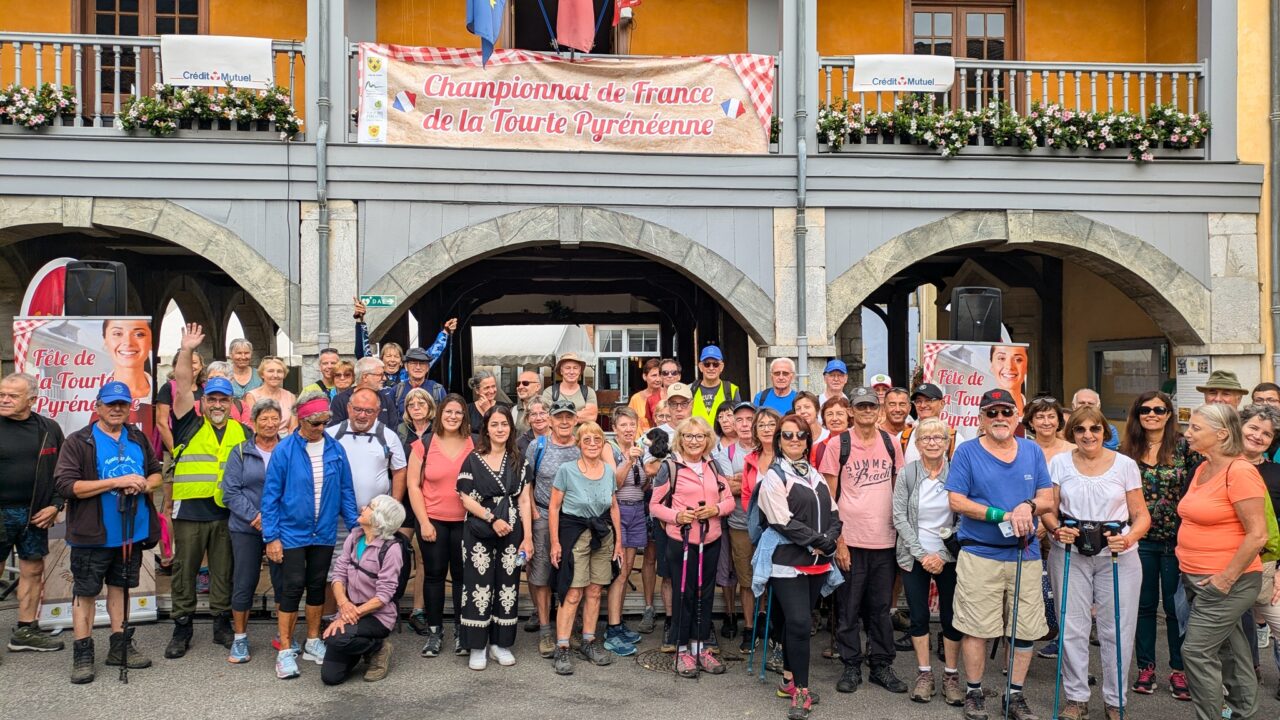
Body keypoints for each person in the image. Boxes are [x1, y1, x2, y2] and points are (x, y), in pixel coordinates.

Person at [946, 388, 1054, 720]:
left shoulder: (1032, 451)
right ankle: (974, 692)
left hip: (1025, 554)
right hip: (980, 553)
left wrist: (1028, 506)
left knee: (1024, 629)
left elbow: (1047, 499)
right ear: (981, 418)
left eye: (1006, 411)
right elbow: (956, 501)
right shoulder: (967, 452)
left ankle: (1015, 695)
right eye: (991, 413)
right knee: (976, 627)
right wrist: (1001, 515)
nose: (999, 418)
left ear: (1017, 416)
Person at [1041, 406, 1151, 720]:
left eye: (1095, 428)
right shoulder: (1060, 463)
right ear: (1071, 433)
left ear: (1105, 431)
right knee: (1072, 626)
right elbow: (1049, 509)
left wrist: (1128, 539)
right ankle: (1076, 698)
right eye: (1080, 429)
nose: (1088, 435)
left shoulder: (1125, 464)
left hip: (1117, 555)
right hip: (1070, 552)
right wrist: (1055, 529)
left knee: (1117, 628)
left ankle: (1115, 700)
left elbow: (1141, 515)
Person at [55, 381, 163, 683]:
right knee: (85, 592)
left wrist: (143, 483)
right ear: (97, 406)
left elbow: (156, 473)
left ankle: (120, 645)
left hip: (131, 532)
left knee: (121, 587)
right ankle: (83, 652)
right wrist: (116, 482)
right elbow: (66, 486)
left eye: (122, 404)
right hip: (92, 534)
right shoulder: (79, 441)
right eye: (111, 404)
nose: (117, 409)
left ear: (129, 408)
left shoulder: (137, 437)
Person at [1177, 403, 1269, 720]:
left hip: (1228, 581)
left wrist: (1225, 579)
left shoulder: (1240, 472)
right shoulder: (1203, 467)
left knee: (1196, 651)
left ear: (1221, 434)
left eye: (1195, 428)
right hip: (1197, 576)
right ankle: (1243, 712)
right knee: (1231, 651)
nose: (1188, 433)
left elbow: (1258, 534)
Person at [261, 390, 359, 680]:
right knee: (292, 587)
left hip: (324, 531)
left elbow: (346, 492)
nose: (321, 428)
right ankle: (285, 649)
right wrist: (271, 537)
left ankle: (313, 640)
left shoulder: (335, 449)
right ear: (301, 420)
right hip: (292, 531)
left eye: (325, 422)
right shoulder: (284, 450)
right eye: (315, 423)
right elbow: (270, 497)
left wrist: (356, 529)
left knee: (317, 585)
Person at [166, 324, 248, 659]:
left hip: (225, 512)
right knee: (184, 570)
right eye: (211, 398)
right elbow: (184, 383)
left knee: (223, 570)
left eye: (223, 399)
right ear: (203, 401)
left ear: (231, 402)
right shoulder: (188, 421)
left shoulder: (242, 431)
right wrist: (186, 350)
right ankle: (181, 626)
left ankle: (221, 623)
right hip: (190, 510)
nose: (217, 404)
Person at [755, 413, 843, 720]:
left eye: (801, 435)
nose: (794, 440)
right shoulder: (774, 476)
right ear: (779, 440)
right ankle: (802, 691)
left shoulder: (815, 474)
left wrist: (829, 540)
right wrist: (820, 541)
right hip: (787, 564)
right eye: (787, 435)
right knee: (800, 624)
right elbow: (781, 521)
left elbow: (834, 514)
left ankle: (788, 681)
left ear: (808, 441)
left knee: (796, 624)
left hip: (817, 563)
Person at [820, 386, 907, 695]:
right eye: (861, 406)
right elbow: (828, 498)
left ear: (878, 410)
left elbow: (899, 490)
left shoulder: (891, 443)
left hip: (884, 539)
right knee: (848, 609)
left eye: (871, 406)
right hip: (852, 541)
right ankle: (851, 665)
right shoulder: (838, 444)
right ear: (851, 411)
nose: (867, 411)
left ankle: (881, 665)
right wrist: (839, 541)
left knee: (880, 609)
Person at [649, 416, 735, 677]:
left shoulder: (713, 465)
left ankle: (700, 648)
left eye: (699, 436)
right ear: (681, 439)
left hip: (710, 539)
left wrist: (715, 509)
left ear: (707, 440)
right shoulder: (670, 467)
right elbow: (655, 506)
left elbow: (729, 501)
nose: (694, 441)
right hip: (682, 542)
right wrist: (677, 516)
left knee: (705, 594)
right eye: (688, 436)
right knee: (683, 594)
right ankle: (681, 649)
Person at [1120, 390, 1192, 700]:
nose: (1152, 414)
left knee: (1176, 608)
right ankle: (1145, 668)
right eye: (1145, 410)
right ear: (1137, 415)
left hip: (1178, 540)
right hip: (1141, 541)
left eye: (1159, 410)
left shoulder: (1185, 447)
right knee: (1144, 606)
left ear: (1168, 414)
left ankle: (1179, 670)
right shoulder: (1126, 452)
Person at [892, 417, 964, 705]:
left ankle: (951, 676)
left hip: (949, 556)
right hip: (914, 556)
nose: (932, 443)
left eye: (938, 438)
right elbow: (899, 516)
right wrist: (922, 554)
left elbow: (964, 517)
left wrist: (942, 556)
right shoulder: (907, 474)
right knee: (919, 616)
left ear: (947, 443)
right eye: (926, 438)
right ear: (918, 444)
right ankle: (924, 674)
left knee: (951, 617)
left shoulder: (958, 473)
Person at [458, 405, 533, 670]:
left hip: (512, 530)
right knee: (477, 585)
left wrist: (528, 538)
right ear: (486, 429)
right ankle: (477, 645)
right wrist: (492, 519)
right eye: (494, 424)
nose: (500, 429)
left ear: (511, 429)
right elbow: (465, 498)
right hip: (479, 528)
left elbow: (525, 500)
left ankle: (500, 644)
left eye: (504, 424)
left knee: (507, 585)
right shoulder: (473, 459)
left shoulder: (520, 460)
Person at [548, 422, 623, 675]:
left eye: (597, 439)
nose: (592, 444)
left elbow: (613, 507)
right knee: (573, 593)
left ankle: (589, 641)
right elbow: (554, 507)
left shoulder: (608, 471)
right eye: (587, 439)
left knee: (595, 590)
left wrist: (619, 542)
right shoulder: (566, 470)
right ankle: (562, 646)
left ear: (603, 443)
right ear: (578, 443)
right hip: (575, 534)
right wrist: (555, 542)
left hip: (602, 534)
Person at [0, 372, 66, 653]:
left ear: (31, 400)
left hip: (35, 513)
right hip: (1, 512)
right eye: (1, 394)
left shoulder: (49, 428)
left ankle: (25, 631)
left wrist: (56, 504)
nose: (4, 400)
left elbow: (63, 472)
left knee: (33, 569)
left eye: (12, 396)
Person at [406, 393, 474, 658]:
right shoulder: (423, 444)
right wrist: (423, 521)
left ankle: (461, 630)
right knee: (434, 576)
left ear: (464, 416)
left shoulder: (475, 443)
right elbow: (413, 485)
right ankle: (434, 632)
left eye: (458, 412)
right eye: (448, 412)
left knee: (462, 576)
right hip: (433, 520)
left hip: (466, 522)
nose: (453, 416)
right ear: (440, 414)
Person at [220, 398, 287, 664]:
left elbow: (296, 487)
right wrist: (256, 517)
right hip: (246, 527)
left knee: (283, 582)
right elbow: (230, 492)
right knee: (244, 581)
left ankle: (284, 637)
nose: (270, 424)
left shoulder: (289, 449)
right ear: (254, 422)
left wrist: (273, 520)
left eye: (274, 418)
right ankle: (240, 639)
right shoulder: (240, 451)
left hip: (281, 528)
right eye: (264, 419)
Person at [322, 494, 405, 684]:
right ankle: (363, 648)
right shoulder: (354, 536)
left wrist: (347, 616)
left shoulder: (391, 549)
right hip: (350, 609)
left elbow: (383, 596)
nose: (362, 508)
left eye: (369, 507)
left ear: (379, 519)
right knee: (331, 677)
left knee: (336, 637)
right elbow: (338, 575)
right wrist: (343, 604)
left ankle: (378, 648)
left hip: (377, 616)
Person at [524, 398, 581, 656]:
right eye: (559, 417)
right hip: (544, 514)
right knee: (541, 574)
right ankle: (546, 630)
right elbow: (527, 481)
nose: (564, 422)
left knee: (574, 573)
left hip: (573, 518)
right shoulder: (538, 446)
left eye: (569, 417)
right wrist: (533, 511)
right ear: (550, 420)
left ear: (576, 420)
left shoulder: (582, 446)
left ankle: (569, 626)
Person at [1020, 395, 1074, 661]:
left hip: (1063, 528)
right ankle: (1021, 648)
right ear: (1030, 421)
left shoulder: (1072, 450)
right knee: (1029, 590)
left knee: (1065, 591)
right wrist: (1037, 521)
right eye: (1039, 416)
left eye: (1051, 416)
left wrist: (1049, 523)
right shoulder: (1021, 449)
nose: (1046, 421)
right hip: (1027, 527)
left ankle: (1067, 649)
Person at [1237, 404, 1280, 687]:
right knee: (1229, 635)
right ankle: (1241, 683)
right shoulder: (1216, 466)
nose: (1258, 436)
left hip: (1266, 566)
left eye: (1267, 433)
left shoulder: (1276, 473)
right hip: (1222, 564)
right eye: (1253, 427)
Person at [604, 406, 646, 656]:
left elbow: (643, 483)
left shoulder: (640, 448)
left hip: (638, 511)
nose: (629, 429)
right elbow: (614, 482)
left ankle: (618, 624)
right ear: (614, 428)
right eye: (623, 425)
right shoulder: (610, 449)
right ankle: (612, 630)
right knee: (619, 573)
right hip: (618, 512)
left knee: (627, 570)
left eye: (632, 424)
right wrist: (629, 459)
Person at [395, 386, 434, 636]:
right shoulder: (400, 432)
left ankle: (418, 610)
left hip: (427, 501)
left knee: (423, 558)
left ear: (430, 407)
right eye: (411, 404)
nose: (416, 408)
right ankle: (388, 606)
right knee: (396, 555)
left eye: (421, 403)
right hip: (403, 501)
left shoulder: (438, 432)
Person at [741, 406, 781, 653]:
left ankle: (776, 631)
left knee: (779, 582)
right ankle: (752, 627)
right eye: (761, 425)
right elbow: (747, 494)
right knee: (751, 577)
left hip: (783, 529)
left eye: (771, 424)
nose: (766, 429)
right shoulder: (750, 460)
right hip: (757, 528)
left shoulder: (788, 456)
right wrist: (756, 520)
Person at [721, 401, 758, 643]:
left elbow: (774, 485)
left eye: (749, 419)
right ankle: (749, 627)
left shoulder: (768, 449)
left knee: (766, 577)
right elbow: (727, 488)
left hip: (767, 525)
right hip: (739, 524)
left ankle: (764, 621)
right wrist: (755, 481)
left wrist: (740, 481)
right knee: (746, 579)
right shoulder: (726, 453)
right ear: (733, 424)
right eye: (740, 420)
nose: (745, 425)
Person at [353, 297, 455, 383]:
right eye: (388, 356)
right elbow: (363, 352)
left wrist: (445, 332)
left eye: (396, 356)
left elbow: (431, 355)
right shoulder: (375, 373)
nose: (392, 360)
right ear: (381, 359)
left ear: (401, 362)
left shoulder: (407, 375)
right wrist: (360, 320)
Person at [154, 348, 204, 457]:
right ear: (176, 366)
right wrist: (176, 452)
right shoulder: (168, 388)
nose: (190, 366)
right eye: (186, 363)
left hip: (201, 449)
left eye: (194, 362)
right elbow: (161, 423)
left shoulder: (205, 389)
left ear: (201, 366)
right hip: (174, 451)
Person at [329, 357, 399, 428]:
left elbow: (393, 428)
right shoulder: (340, 400)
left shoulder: (385, 399)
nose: (384, 378)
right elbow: (334, 430)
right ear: (365, 377)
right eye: (380, 375)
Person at [902, 383, 962, 463]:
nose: (923, 405)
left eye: (928, 400)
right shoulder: (904, 437)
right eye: (918, 401)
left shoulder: (954, 438)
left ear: (942, 404)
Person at [102, 318, 154, 402]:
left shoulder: (166, 392)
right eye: (118, 334)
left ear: (152, 341)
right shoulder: (86, 394)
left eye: (139, 334)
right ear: (105, 340)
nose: (128, 342)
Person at [690, 345, 743, 426]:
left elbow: (738, 418)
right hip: (696, 434)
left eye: (715, 364)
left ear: (721, 367)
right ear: (700, 367)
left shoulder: (732, 390)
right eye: (707, 364)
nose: (711, 368)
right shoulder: (690, 389)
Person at [244, 356, 298, 434]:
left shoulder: (291, 397)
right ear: (262, 374)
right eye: (270, 371)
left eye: (279, 371)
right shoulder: (251, 396)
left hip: (286, 439)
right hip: (261, 438)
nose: (275, 375)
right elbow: (253, 426)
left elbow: (293, 427)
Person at [541, 352, 599, 425]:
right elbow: (546, 417)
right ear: (561, 371)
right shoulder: (549, 392)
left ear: (579, 371)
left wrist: (558, 415)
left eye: (575, 368)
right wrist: (580, 413)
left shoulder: (588, 392)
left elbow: (591, 417)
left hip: (581, 433)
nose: (571, 372)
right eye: (567, 368)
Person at [391, 347, 447, 414]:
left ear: (427, 368)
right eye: (413, 363)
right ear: (406, 366)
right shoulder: (396, 391)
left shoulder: (438, 390)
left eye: (422, 363)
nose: (418, 367)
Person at [989, 346, 1029, 415]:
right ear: (991, 365)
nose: (1009, 366)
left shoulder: (1036, 411)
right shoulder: (980, 411)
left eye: (1018, 359)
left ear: (1026, 366)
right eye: (1001, 358)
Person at [628, 359, 663, 434]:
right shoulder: (636, 399)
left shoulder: (667, 395)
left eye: (660, 375)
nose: (658, 379)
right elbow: (629, 421)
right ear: (644, 376)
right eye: (654, 375)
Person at [512, 369, 544, 435]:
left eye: (525, 383)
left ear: (537, 387)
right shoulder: (514, 411)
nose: (520, 387)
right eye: (518, 384)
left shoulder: (547, 408)